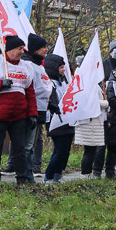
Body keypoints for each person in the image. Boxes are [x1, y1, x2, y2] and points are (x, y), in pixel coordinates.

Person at [0, 35, 39, 184]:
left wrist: (32, 114)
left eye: (22, 49)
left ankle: (22, 178)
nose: (21, 52)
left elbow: (30, 92)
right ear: (10, 49)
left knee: (19, 149)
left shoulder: (26, 66)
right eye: (19, 49)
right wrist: (0, 84)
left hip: (19, 115)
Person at [21, 33, 51, 176]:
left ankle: (32, 168)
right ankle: (26, 170)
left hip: (42, 108)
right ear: (35, 49)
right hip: (32, 109)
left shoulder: (40, 66)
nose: (46, 50)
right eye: (43, 47)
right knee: (28, 143)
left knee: (35, 141)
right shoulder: (28, 65)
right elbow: (30, 88)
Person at [43, 54, 74, 183]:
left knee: (65, 150)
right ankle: (48, 176)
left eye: (63, 67)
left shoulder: (63, 82)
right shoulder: (49, 84)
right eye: (60, 67)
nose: (63, 70)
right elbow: (49, 101)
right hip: (55, 120)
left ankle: (57, 174)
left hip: (67, 119)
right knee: (60, 150)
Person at [75, 84, 109, 177]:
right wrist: (105, 103)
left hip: (92, 122)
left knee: (90, 150)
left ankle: (87, 173)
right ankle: (86, 173)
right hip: (91, 123)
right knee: (90, 150)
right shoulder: (89, 85)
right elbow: (91, 102)